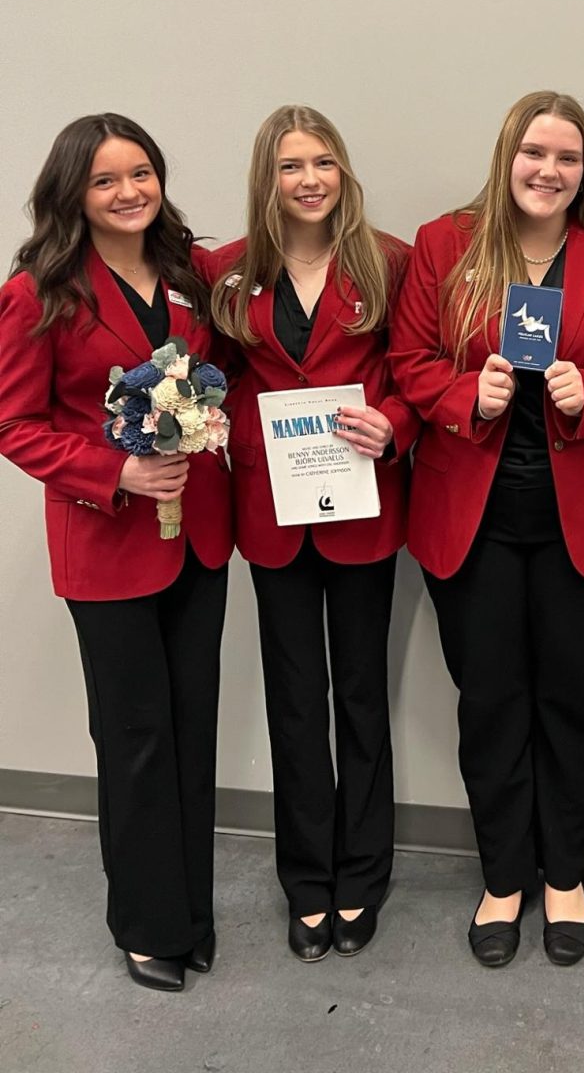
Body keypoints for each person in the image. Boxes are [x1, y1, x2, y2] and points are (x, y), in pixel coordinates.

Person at [390, 90, 584, 968]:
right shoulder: (446, 244)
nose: (548, 172)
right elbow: (408, 362)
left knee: (569, 700)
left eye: (567, 158)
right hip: (470, 514)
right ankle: (503, 876)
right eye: (534, 153)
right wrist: (458, 393)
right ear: (506, 155)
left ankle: (566, 876)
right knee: (490, 702)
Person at [0, 114, 233, 991]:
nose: (130, 192)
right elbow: (15, 424)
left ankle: (192, 915)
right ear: (74, 194)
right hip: (106, 546)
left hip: (199, 539)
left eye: (142, 173)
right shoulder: (40, 292)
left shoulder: (189, 273)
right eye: (106, 181)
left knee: (192, 732)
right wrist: (119, 470)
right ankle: (145, 923)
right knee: (135, 737)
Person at [208, 105, 417, 962]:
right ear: (269, 178)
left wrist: (394, 423)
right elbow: (210, 379)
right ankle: (308, 883)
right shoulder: (224, 273)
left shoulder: (392, 263)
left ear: (344, 172)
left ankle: (363, 877)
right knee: (296, 706)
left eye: (323, 162)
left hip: (362, 509)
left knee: (363, 697)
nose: (309, 180)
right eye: (291, 165)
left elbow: (416, 373)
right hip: (271, 516)